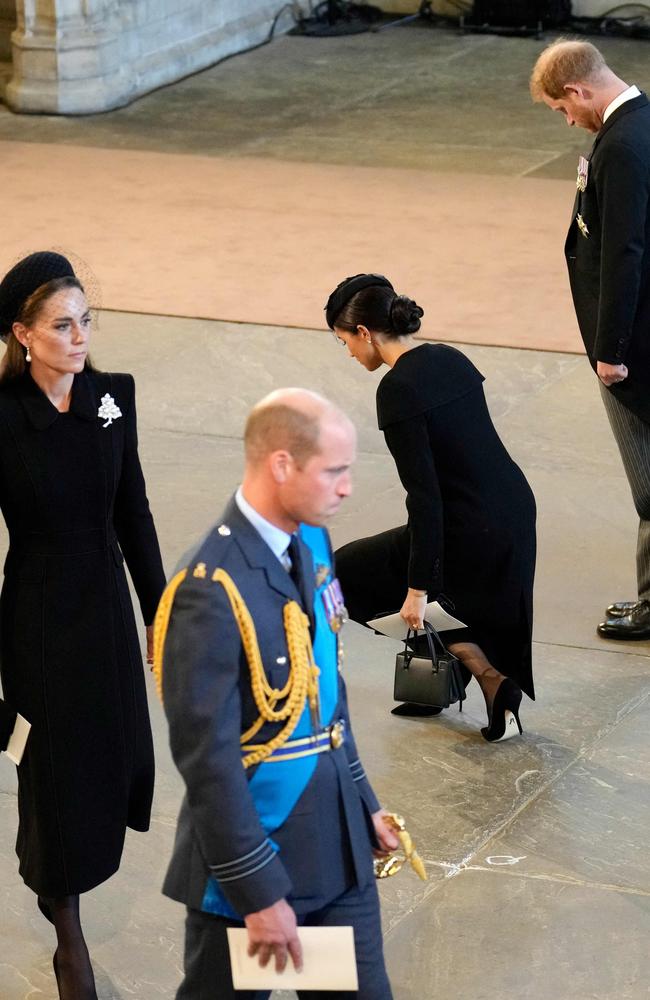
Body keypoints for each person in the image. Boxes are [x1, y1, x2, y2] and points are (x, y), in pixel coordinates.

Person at [156, 388, 396, 999]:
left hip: (335, 849)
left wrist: (363, 800)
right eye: (334, 472)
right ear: (282, 464)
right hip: (257, 869)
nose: (346, 488)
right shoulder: (209, 587)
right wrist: (259, 895)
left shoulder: (311, 540)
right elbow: (208, 762)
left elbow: (324, 691)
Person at [0, 251, 166, 998]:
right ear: (22, 336)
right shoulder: (1, 419)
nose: (79, 338)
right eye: (62, 326)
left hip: (104, 605)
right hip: (37, 616)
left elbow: (133, 510)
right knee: (55, 773)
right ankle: (67, 930)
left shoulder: (113, 397)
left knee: (118, 754)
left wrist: (160, 611)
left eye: (86, 321)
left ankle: (59, 880)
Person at [325, 274, 536, 742]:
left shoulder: (397, 390)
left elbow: (425, 498)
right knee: (442, 596)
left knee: (342, 575)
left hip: (466, 523)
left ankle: (488, 677)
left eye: (345, 342)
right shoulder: (449, 357)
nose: (349, 354)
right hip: (513, 508)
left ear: (365, 332)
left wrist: (419, 587)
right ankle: (459, 678)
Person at [530, 40, 650, 639]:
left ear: (578, 91)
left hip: (636, 345)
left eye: (562, 109)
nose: (568, 120)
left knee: (648, 481)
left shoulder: (623, 145)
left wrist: (612, 349)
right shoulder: (635, 126)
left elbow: (625, 252)